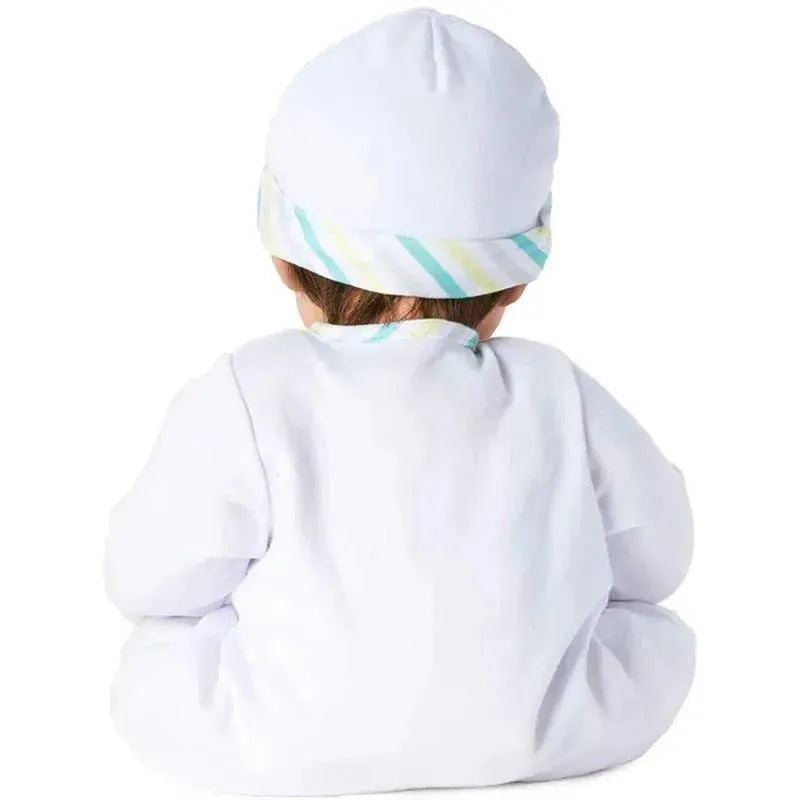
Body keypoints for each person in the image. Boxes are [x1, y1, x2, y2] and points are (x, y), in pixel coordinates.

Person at [105, 9, 694, 795]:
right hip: (545, 738)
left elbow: (144, 578)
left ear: (282, 258)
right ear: (517, 280)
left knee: (153, 663)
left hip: (278, 744)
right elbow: (661, 559)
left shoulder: (249, 393)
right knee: (658, 643)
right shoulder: (560, 391)